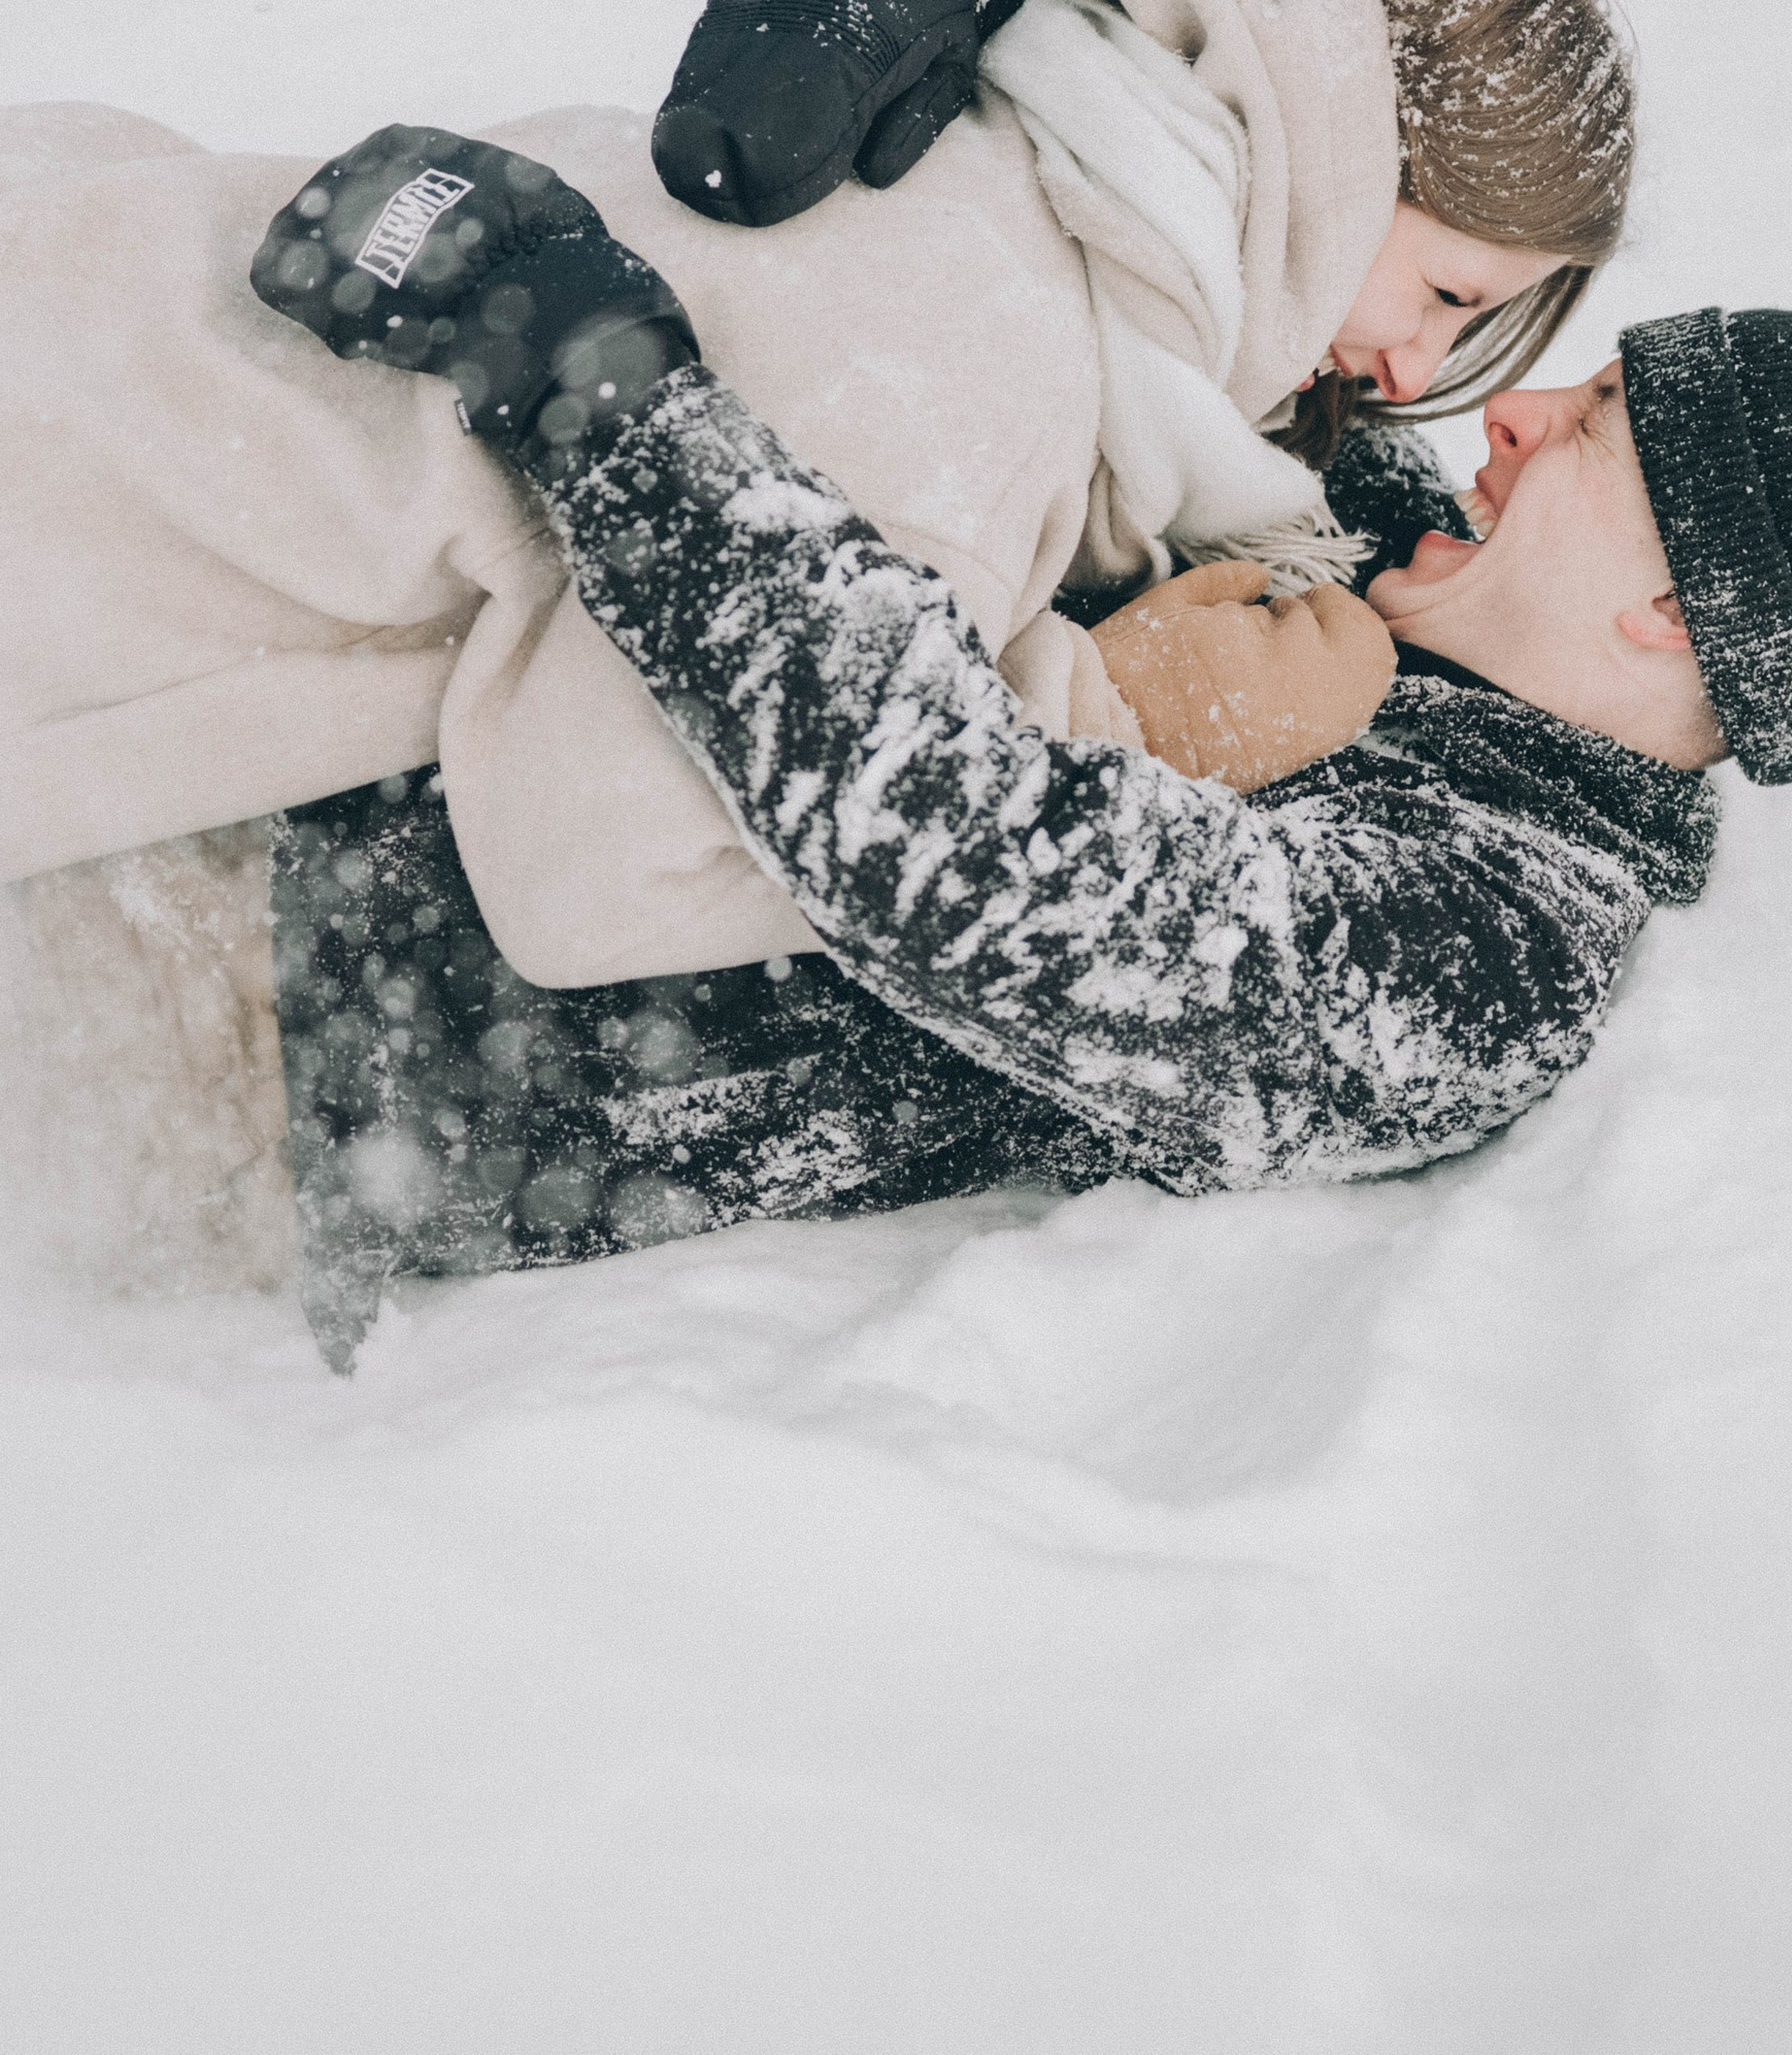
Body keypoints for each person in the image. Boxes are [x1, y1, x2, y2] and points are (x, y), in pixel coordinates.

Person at [0, 0, 1632, 1007]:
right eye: (1441, 295)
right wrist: (1095, 712)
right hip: (24, 533)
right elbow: (597, 874)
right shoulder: (983, 355)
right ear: (1335, 164)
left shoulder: (1015, 127)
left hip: (55, 285)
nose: (1413, 378)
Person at [252, 177, 1786, 1368]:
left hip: (311, 1025)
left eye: (1592, 425)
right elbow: (1205, 272)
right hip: (320, 698)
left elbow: (952, 852)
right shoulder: (1383, 533)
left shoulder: (1483, 946)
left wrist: (601, 382)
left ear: (1672, 613)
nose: (1505, 408)